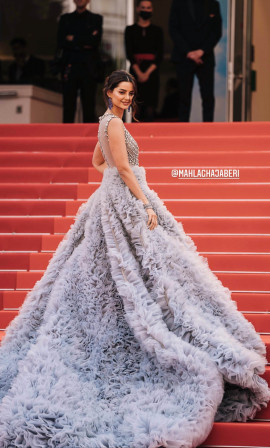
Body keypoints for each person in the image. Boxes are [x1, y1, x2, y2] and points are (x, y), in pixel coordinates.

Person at [0, 69, 269, 447]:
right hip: (125, 198)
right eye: (121, 91)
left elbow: (100, 162)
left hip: (110, 196)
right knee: (139, 265)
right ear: (109, 92)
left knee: (120, 268)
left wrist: (115, 179)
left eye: (130, 93)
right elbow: (122, 167)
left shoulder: (106, 123)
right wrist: (142, 201)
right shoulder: (112, 123)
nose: (127, 97)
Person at [169, 0, 222, 122]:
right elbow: (173, 29)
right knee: (183, 97)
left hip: (205, 58)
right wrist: (189, 52)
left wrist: (201, 51)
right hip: (184, 57)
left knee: (208, 98)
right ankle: (182, 132)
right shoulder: (179, 0)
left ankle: (208, 133)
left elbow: (216, 33)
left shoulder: (213, 4)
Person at [56, 0, 103, 123]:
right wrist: (85, 39)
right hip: (70, 66)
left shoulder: (96, 19)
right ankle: (66, 140)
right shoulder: (65, 19)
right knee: (68, 106)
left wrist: (74, 38)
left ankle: (88, 142)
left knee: (89, 106)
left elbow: (95, 41)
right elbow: (61, 42)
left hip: (89, 68)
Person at [125, 0, 163, 121]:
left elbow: (160, 55)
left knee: (150, 107)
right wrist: (139, 73)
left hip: (151, 72)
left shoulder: (158, 31)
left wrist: (146, 73)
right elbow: (129, 53)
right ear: (137, 9)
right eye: (143, 7)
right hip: (135, 71)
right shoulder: (130, 30)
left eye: (148, 8)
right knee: (135, 106)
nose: (146, 10)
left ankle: (150, 138)